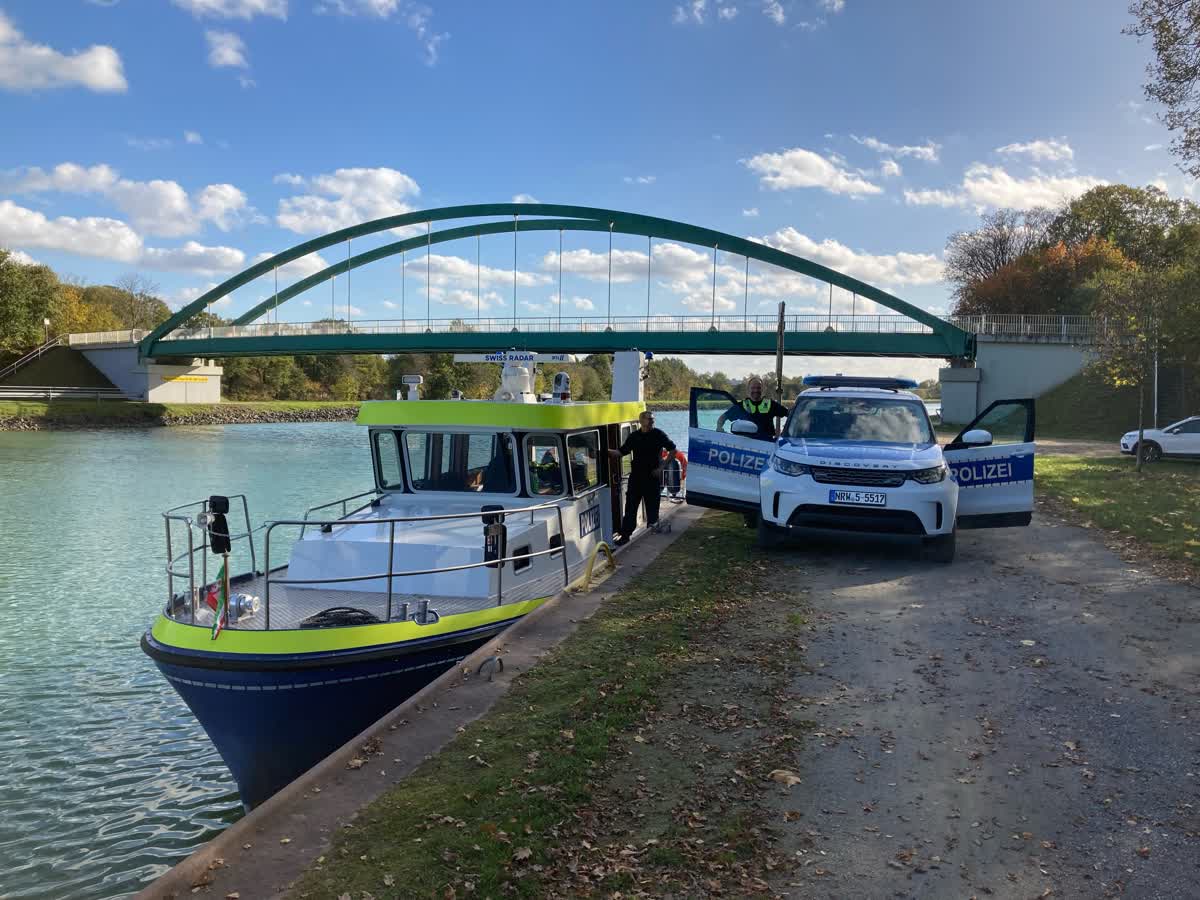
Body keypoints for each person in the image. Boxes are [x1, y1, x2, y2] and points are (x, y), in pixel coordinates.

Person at [608, 411, 675, 545]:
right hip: (636, 478)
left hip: (652, 477)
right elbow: (620, 452)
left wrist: (661, 468)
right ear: (641, 421)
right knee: (630, 508)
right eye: (649, 419)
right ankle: (625, 536)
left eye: (653, 419)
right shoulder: (634, 436)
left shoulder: (659, 434)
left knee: (652, 509)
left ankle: (651, 536)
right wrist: (603, 451)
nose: (652, 421)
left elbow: (673, 450)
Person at [716, 376, 788, 441]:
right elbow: (723, 417)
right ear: (748, 389)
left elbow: (789, 414)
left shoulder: (771, 404)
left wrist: (787, 429)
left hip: (768, 445)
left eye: (758, 388)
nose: (756, 390)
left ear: (762, 389)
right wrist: (719, 428)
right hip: (747, 445)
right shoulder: (742, 406)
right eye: (753, 388)